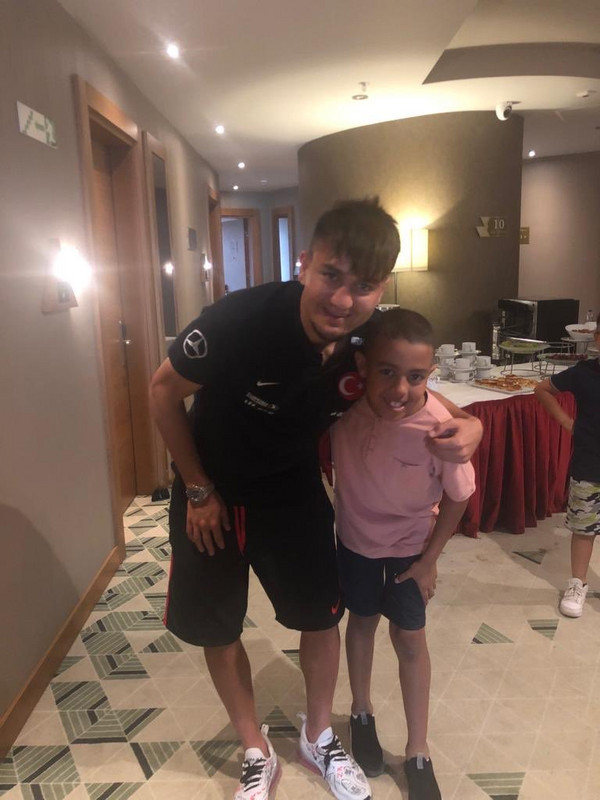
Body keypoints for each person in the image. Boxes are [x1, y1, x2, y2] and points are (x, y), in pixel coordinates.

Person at [149, 198, 483, 800]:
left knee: (322, 618)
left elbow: (413, 386)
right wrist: (197, 489)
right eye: (331, 275)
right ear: (304, 264)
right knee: (219, 628)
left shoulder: (366, 338)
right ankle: (255, 748)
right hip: (211, 493)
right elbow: (161, 391)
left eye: (364, 286)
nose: (343, 299)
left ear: (382, 287)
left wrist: (472, 423)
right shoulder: (240, 321)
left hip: (292, 493)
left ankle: (318, 736)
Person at [331, 308, 476, 800]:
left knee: (411, 639)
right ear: (363, 366)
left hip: (411, 551)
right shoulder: (342, 411)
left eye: (415, 377)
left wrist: (430, 560)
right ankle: (361, 712)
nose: (400, 390)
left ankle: (418, 748)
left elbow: (459, 496)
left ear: (430, 375)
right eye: (387, 372)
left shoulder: (439, 428)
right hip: (355, 543)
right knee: (361, 623)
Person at [534, 315, 600, 618]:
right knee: (584, 528)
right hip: (589, 463)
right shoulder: (584, 373)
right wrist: (566, 422)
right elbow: (542, 390)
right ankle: (577, 583)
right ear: (597, 339)